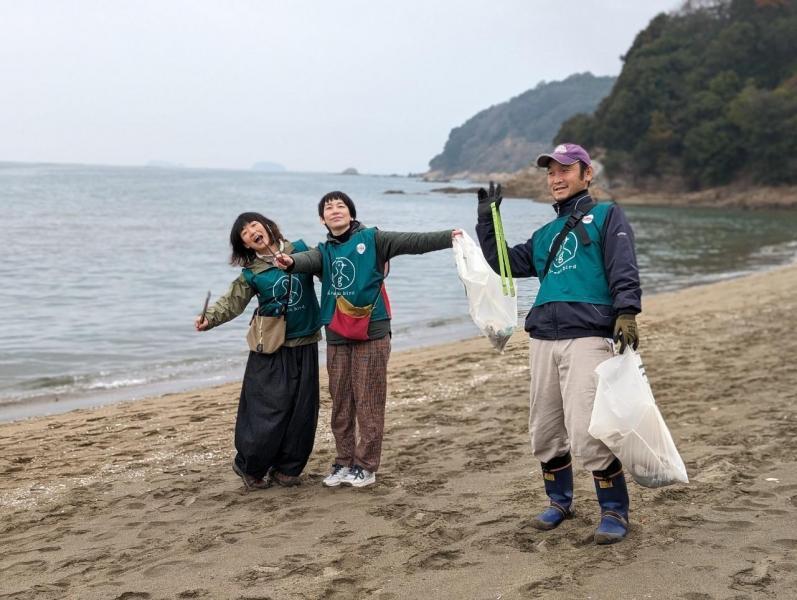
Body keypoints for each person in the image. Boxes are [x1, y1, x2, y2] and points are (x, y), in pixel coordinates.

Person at [475, 143, 642, 544]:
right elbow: (503, 264)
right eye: (551, 172)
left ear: (587, 174)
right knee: (545, 431)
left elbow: (623, 264)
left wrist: (627, 312)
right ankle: (560, 501)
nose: (556, 178)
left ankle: (615, 510)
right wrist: (487, 220)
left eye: (565, 169)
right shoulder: (544, 234)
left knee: (588, 431)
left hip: (587, 335)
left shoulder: (607, 215)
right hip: (543, 338)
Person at [275, 191, 460, 488]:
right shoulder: (325, 251)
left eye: (341, 206)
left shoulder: (374, 239)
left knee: (369, 400)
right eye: (328, 208)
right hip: (337, 333)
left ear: (350, 213)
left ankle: (366, 465)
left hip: (372, 331)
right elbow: (306, 260)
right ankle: (343, 460)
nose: (335, 210)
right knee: (341, 403)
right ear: (322, 219)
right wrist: (289, 261)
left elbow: (413, 242)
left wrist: (449, 236)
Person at [195, 212, 322, 490]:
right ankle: (251, 467)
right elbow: (232, 301)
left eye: (253, 224)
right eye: (244, 233)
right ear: (246, 246)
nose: (251, 231)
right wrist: (210, 319)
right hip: (271, 347)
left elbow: (327, 269)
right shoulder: (252, 273)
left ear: (266, 226)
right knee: (265, 410)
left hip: (306, 342)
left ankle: (288, 469)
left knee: (303, 411)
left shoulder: (299, 250)